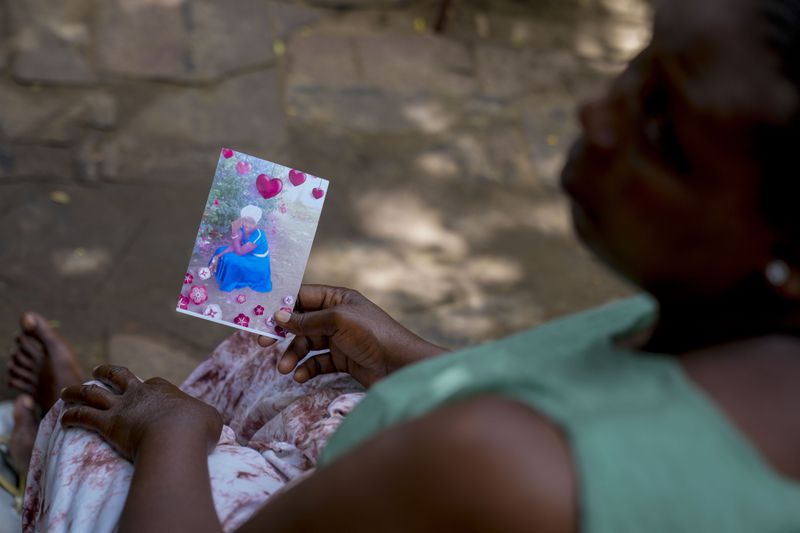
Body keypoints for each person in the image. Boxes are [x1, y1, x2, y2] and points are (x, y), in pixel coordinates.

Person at [7, 0, 800, 530]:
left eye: (665, 129)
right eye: (639, 62)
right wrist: (407, 358)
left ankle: (41, 441)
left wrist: (174, 437)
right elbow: (589, 391)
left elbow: (522, 445)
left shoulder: (499, 461)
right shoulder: (745, 323)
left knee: (104, 435)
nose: (596, 113)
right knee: (281, 350)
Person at [209, 205, 272, 293]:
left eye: (251, 222)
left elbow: (239, 252)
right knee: (220, 250)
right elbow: (234, 245)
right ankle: (219, 274)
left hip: (257, 261)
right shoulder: (242, 229)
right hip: (245, 251)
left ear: (257, 222)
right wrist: (218, 256)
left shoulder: (258, 235)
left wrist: (234, 232)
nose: (247, 224)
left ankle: (230, 282)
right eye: (245, 220)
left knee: (232, 261)